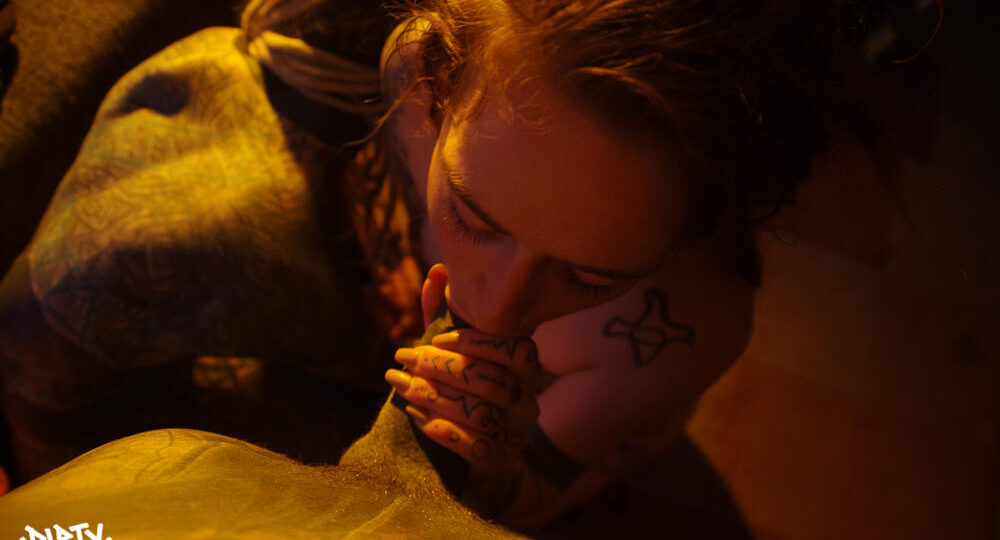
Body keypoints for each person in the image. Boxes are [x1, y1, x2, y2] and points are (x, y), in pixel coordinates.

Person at [367, 0, 845, 529]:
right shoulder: (414, 68)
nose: (495, 313)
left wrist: (487, 475)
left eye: (590, 278)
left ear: (693, 233)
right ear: (441, 84)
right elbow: (399, 182)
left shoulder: (690, 330)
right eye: (469, 218)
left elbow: (531, 493)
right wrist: (396, 248)